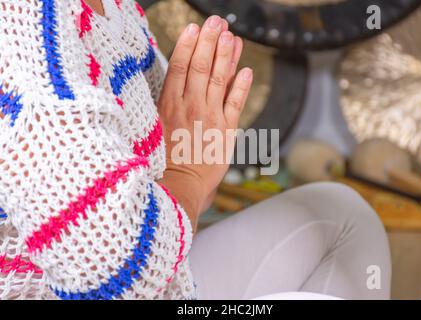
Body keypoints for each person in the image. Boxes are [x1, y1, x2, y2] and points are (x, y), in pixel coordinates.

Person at [0, 0, 391, 300]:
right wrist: (188, 177)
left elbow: (178, 181)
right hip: (112, 281)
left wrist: (198, 167)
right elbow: (104, 269)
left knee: (340, 214)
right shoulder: (26, 24)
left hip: (151, 271)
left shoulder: (117, 9)